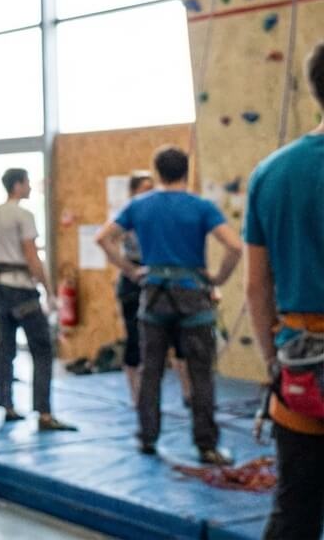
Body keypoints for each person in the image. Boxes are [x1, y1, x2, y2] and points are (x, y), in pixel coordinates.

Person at [95, 146, 242, 465]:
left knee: (151, 371)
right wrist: (216, 278)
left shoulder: (140, 205)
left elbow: (103, 238)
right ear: (186, 171)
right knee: (200, 372)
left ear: (157, 171)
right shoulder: (200, 206)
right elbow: (234, 246)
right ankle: (206, 445)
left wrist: (132, 271)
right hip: (192, 296)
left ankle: (148, 437)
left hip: (155, 295)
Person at [244, 41, 324, 540]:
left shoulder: (271, 172)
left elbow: (256, 287)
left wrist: (274, 363)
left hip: (302, 367)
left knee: (295, 506)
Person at [0, 168, 76, 432]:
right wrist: (48, 289)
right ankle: (44, 412)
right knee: (42, 349)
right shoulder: (23, 215)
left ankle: (7, 405)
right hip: (21, 289)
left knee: (6, 348)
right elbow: (31, 255)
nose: (30, 186)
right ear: (18, 185)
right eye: (28, 182)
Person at [114, 173, 192, 405]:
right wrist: (129, 269)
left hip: (162, 276)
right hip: (136, 279)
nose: (151, 193)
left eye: (152, 188)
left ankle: (188, 391)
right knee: (136, 338)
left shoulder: (159, 212)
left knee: (179, 334)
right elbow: (108, 240)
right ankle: (137, 395)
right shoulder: (129, 215)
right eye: (145, 189)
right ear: (134, 191)